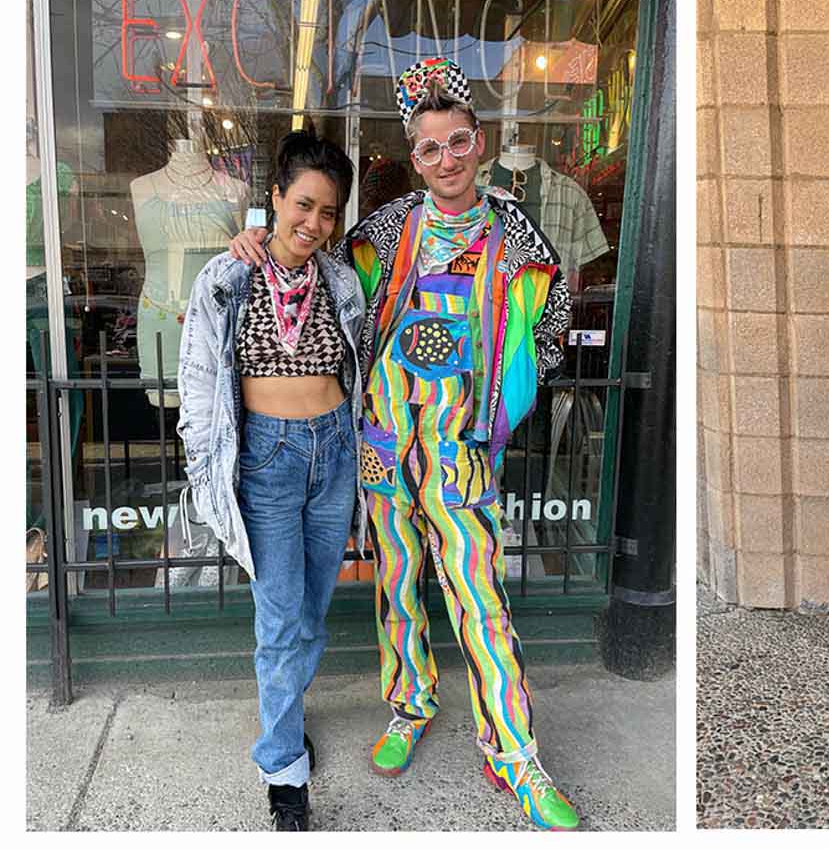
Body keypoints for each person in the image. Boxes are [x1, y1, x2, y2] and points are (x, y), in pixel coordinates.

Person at [227, 58, 578, 830]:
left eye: (458, 142)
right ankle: (409, 706)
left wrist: (497, 414)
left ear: (479, 144)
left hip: (459, 446)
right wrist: (255, 232)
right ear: (413, 159)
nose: (447, 159)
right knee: (397, 587)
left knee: (479, 595)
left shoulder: (521, 239)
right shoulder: (381, 232)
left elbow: (549, 333)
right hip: (383, 439)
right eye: (430, 148)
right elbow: (304, 256)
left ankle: (515, 754)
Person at [178, 131, 364, 831]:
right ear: (275, 200)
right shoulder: (228, 277)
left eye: (328, 212)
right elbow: (197, 385)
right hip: (267, 458)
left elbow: (361, 366)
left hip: (335, 450)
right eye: (303, 205)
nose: (313, 223)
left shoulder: (342, 279)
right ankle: (284, 766)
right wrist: (204, 471)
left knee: (310, 611)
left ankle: (285, 719)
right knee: (281, 617)